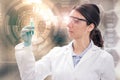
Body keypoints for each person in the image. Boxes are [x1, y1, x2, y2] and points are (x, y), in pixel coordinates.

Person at [15, 3, 115, 80]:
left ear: (90, 27)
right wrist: (26, 45)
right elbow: (30, 77)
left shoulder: (104, 59)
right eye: (69, 19)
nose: (69, 25)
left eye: (76, 21)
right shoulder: (56, 54)